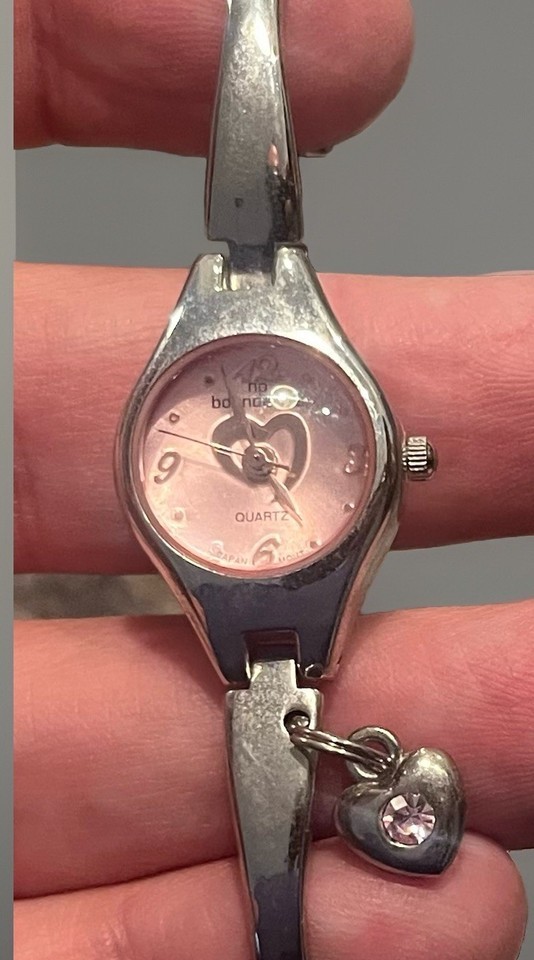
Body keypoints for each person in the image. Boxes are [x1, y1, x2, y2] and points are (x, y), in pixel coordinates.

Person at [14, 0, 533, 957]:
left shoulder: (279, 370)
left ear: (394, 457)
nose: (256, 458)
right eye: (243, 455)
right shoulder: (209, 354)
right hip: (222, 583)